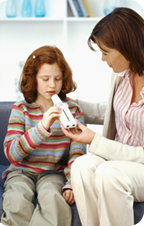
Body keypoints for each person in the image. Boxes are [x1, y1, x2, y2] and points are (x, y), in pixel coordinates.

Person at [61, 7, 144, 226]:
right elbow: (116, 111)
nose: (102, 59)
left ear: (127, 47)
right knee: (81, 166)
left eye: (105, 52)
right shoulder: (122, 75)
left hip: (139, 163)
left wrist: (93, 140)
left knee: (109, 173)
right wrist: (73, 105)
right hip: (118, 159)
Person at [1, 45, 86, 226]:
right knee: (16, 202)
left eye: (58, 79)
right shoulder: (21, 109)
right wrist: (41, 127)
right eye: (45, 79)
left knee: (54, 203)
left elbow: (77, 152)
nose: (52, 85)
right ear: (33, 79)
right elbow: (11, 153)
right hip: (21, 171)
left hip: (54, 173)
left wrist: (71, 182)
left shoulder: (73, 110)